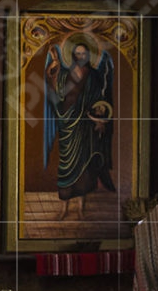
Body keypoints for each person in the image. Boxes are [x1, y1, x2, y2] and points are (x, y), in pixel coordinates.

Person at [42, 34, 117, 207]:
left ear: (88, 56)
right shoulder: (64, 74)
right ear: (72, 55)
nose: (80, 57)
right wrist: (52, 68)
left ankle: (82, 205)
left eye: (83, 54)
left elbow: (99, 100)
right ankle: (65, 202)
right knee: (66, 161)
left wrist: (99, 120)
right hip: (65, 119)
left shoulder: (93, 76)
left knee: (83, 162)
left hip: (84, 122)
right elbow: (55, 88)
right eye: (77, 53)